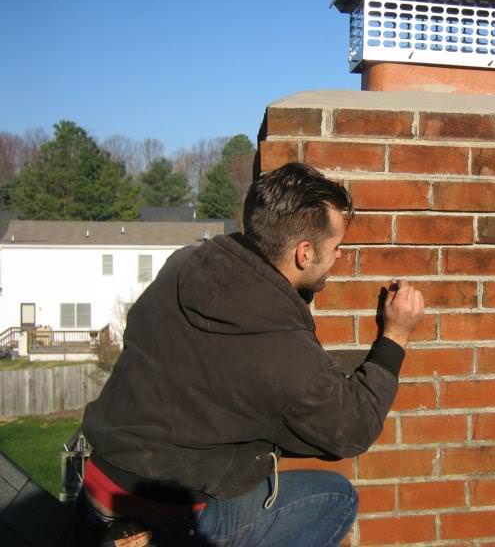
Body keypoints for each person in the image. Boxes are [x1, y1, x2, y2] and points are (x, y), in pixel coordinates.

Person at [80, 162, 425, 546]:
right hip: (162, 515)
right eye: (337, 246)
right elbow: (351, 429)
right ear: (305, 253)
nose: (342, 256)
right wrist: (395, 335)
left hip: (100, 480)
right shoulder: (280, 350)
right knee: (335, 498)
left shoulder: (184, 263)